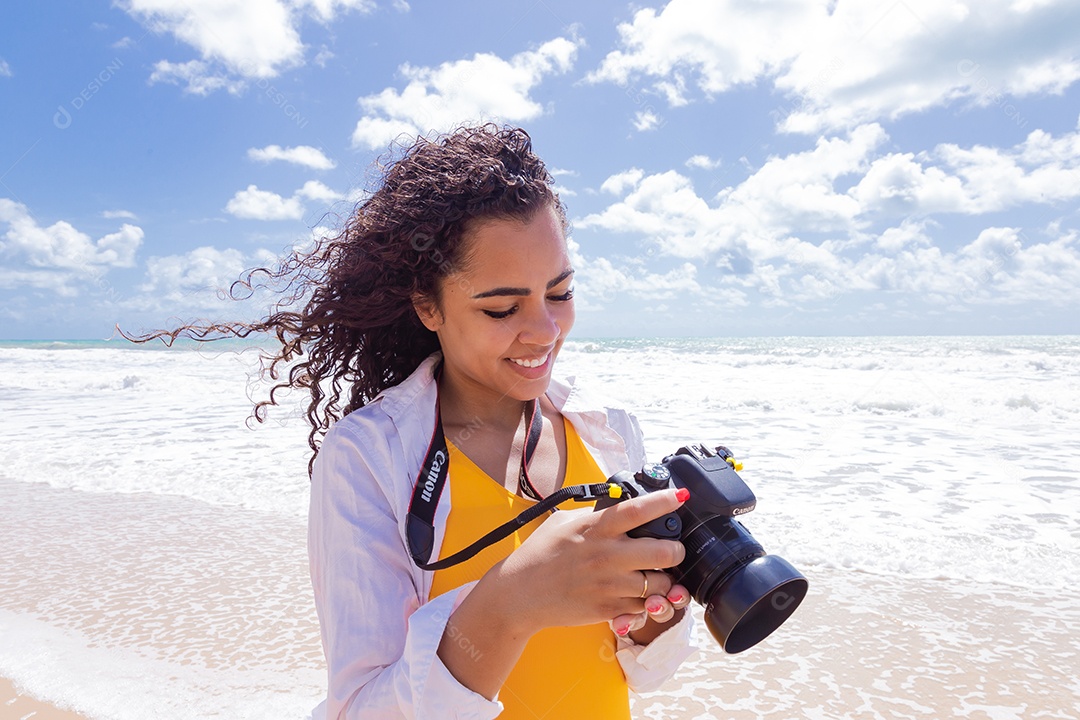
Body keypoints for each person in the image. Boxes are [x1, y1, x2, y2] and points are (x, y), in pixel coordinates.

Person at [132, 124, 696, 718]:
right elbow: (361, 708)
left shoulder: (608, 430)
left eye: (559, 292)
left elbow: (640, 673)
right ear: (429, 306)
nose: (545, 331)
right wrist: (511, 603)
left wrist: (655, 620)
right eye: (502, 307)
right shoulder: (369, 456)